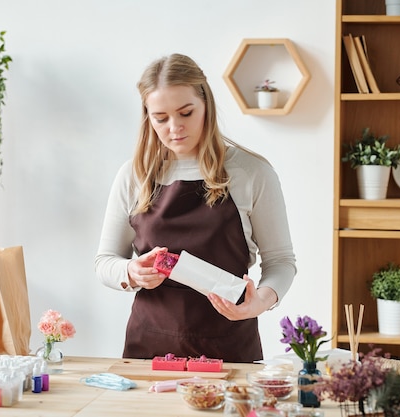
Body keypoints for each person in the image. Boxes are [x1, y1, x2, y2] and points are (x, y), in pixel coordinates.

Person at [94, 53, 296, 363]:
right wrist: (130, 272)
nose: (174, 128)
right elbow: (105, 261)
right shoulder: (133, 175)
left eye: (186, 113)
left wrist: (261, 302)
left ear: (206, 106)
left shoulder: (252, 173)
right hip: (148, 351)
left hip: (229, 351)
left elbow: (281, 262)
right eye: (160, 118)